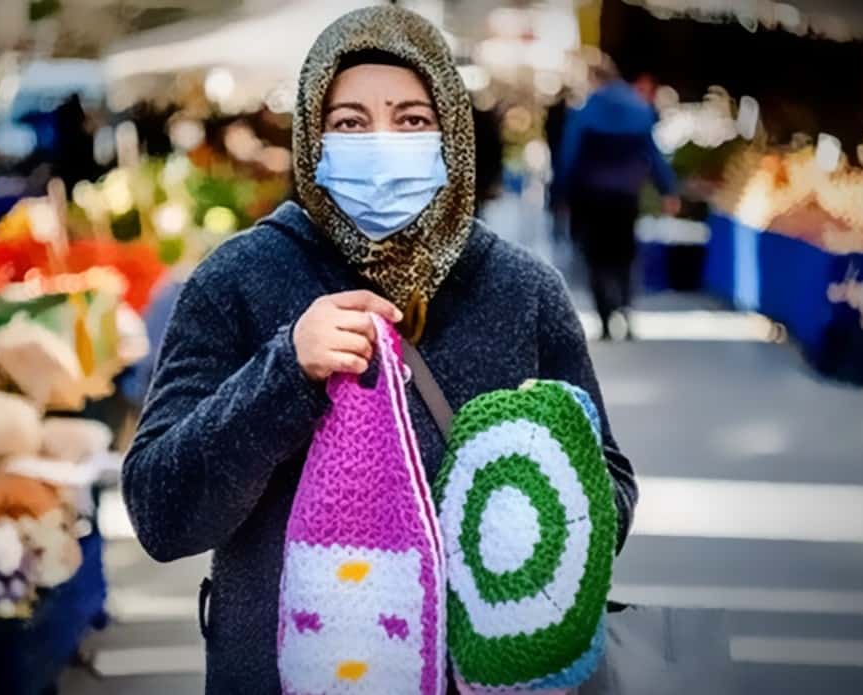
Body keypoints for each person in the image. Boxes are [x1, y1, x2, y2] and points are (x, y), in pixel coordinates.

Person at [122, 7, 637, 693]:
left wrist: (532, 492)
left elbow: (610, 484)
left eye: (412, 119)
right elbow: (161, 510)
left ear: (451, 131)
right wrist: (283, 374)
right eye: (351, 123)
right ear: (313, 136)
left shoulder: (521, 291)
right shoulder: (237, 281)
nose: (383, 141)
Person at [554, 59, 680, 340]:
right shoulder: (639, 108)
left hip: (592, 194)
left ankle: (605, 314)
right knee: (624, 253)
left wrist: (561, 192)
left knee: (596, 255)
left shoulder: (587, 109)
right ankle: (626, 307)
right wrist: (667, 190)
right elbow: (654, 154)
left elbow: (569, 155)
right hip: (627, 193)